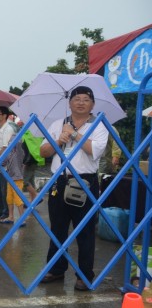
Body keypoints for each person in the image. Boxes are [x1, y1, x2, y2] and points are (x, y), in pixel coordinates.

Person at [39, 86, 108, 291]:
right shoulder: (57, 124)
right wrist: (59, 139)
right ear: (69, 103)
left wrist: (75, 135)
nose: (80, 102)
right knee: (57, 228)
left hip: (85, 182)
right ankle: (56, 269)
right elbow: (44, 152)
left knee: (85, 231)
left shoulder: (99, 125)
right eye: (76, 98)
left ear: (92, 104)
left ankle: (84, 275)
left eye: (86, 99)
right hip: (60, 181)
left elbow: (94, 150)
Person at [0, 132, 25, 225]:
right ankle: (11, 217)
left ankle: (23, 219)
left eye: (12, 142)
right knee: (9, 198)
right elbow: (3, 162)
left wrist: (15, 136)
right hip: (10, 178)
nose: (10, 143)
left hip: (18, 178)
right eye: (9, 142)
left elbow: (18, 144)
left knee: (18, 199)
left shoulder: (19, 152)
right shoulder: (9, 153)